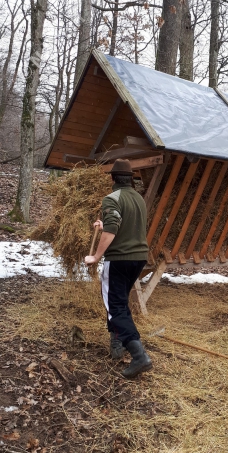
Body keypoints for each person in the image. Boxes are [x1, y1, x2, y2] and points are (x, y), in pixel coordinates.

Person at [84, 158, 152, 379]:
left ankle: (138, 355)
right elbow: (124, 225)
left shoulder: (111, 198)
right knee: (121, 301)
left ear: (112, 178)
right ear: (131, 179)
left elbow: (113, 229)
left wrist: (95, 256)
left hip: (119, 259)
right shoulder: (139, 199)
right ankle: (119, 344)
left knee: (115, 307)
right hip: (139, 257)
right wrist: (104, 224)